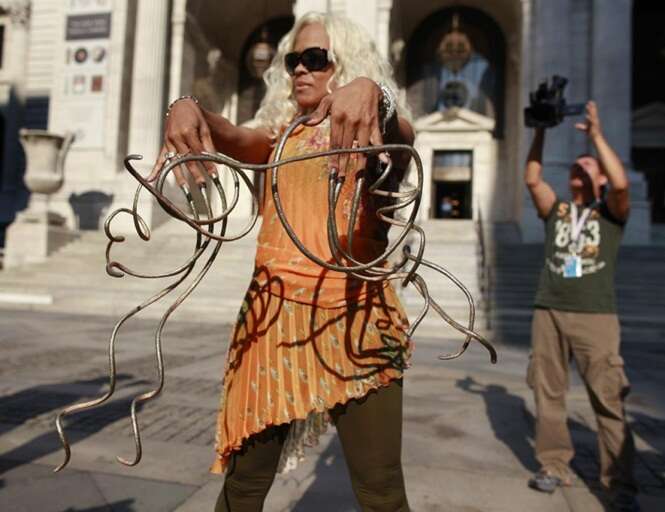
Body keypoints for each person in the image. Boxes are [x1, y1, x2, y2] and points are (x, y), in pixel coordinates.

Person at [150, 12, 414, 512]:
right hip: (270, 328)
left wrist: (373, 91)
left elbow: (403, 133)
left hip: (357, 324)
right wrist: (185, 106)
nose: (300, 70)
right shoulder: (278, 139)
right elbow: (227, 132)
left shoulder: (374, 131)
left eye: (316, 59)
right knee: (243, 489)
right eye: (294, 60)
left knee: (381, 492)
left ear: (346, 62)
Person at [524, 101, 639, 511]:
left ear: (603, 177)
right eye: (579, 162)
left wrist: (595, 136)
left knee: (608, 398)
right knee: (548, 391)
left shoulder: (611, 213)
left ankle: (619, 484)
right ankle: (553, 464)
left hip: (595, 315)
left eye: (590, 164)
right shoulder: (558, 211)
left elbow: (623, 187)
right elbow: (533, 177)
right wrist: (539, 130)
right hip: (549, 309)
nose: (581, 165)